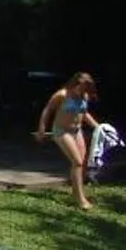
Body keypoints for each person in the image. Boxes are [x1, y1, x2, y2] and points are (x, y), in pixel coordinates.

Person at [35, 71, 102, 211]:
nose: (83, 91)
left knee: (82, 163)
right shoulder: (62, 94)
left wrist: (98, 127)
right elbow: (47, 110)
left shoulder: (84, 96)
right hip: (62, 131)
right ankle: (80, 200)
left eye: (86, 89)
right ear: (74, 84)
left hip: (77, 131)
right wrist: (42, 128)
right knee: (77, 162)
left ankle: (77, 191)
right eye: (81, 87)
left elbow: (84, 113)